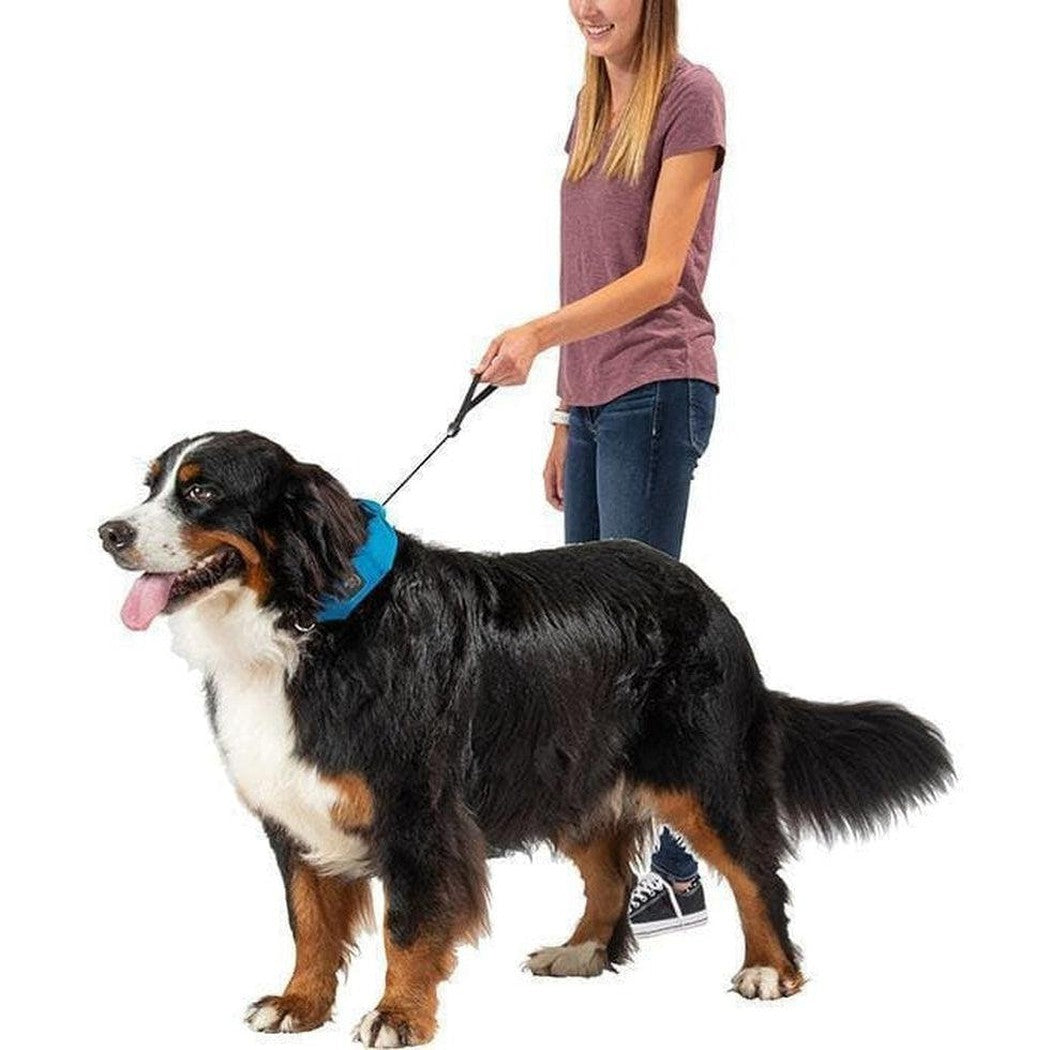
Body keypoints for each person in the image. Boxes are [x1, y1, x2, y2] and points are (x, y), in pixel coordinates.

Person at [473, 0, 724, 937]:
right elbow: (589, 268)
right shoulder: (590, 104)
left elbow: (657, 276)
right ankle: (614, 872)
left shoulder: (691, 96)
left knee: (645, 644)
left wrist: (538, 335)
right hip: (594, 401)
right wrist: (564, 408)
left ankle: (681, 867)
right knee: (583, 652)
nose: (589, 6)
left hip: (657, 386)